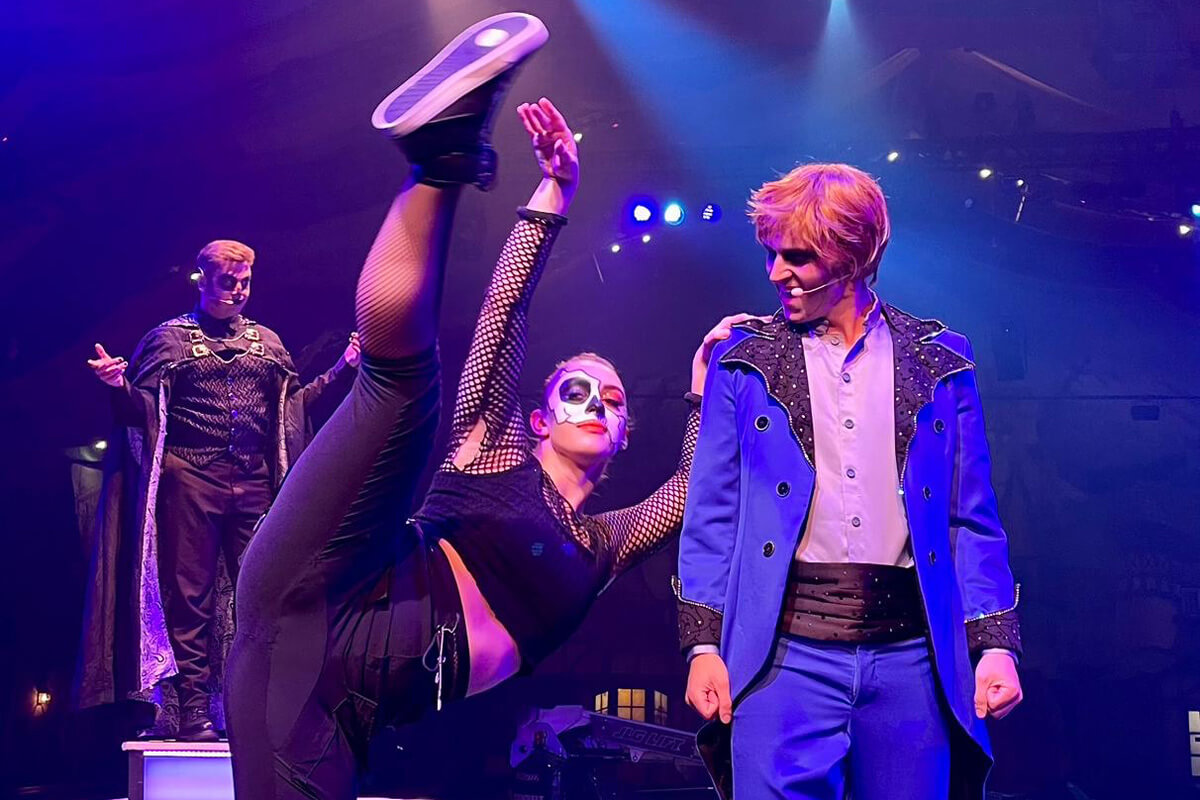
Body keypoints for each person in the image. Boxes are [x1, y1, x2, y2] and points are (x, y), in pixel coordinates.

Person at [224, 13, 747, 798]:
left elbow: (690, 489)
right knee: (403, 384)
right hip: (322, 590)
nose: (595, 404)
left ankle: (441, 158)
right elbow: (505, 312)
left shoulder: (604, 545)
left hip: (338, 711)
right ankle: (442, 159)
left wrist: (702, 387)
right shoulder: (494, 449)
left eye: (611, 400)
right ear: (539, 420)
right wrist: (555, 193)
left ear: (624, 433)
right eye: (576, 391)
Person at [676, 162, 1024, 799]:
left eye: (797, 257)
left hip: (912, 663)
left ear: (853, 255)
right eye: (771, 254)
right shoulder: (745, 362)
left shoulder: (941, 362)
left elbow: (970, 518)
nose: (775, 272)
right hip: (782, 663)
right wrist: (703, 647)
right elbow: (712, 517)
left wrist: (994, 645)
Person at [77, 239, 359, 740]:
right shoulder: (169, 341)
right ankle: (192, 712)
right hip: (190, 480)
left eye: (245, 282)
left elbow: (294, 408)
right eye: (228, 282)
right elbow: (142, 416)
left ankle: (251, 707)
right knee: (191, 598)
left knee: (260, 593)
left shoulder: (265, 343)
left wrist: (343, 369)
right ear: (203, 280)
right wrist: (119, 386)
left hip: (254, 482)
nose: (238, 291)